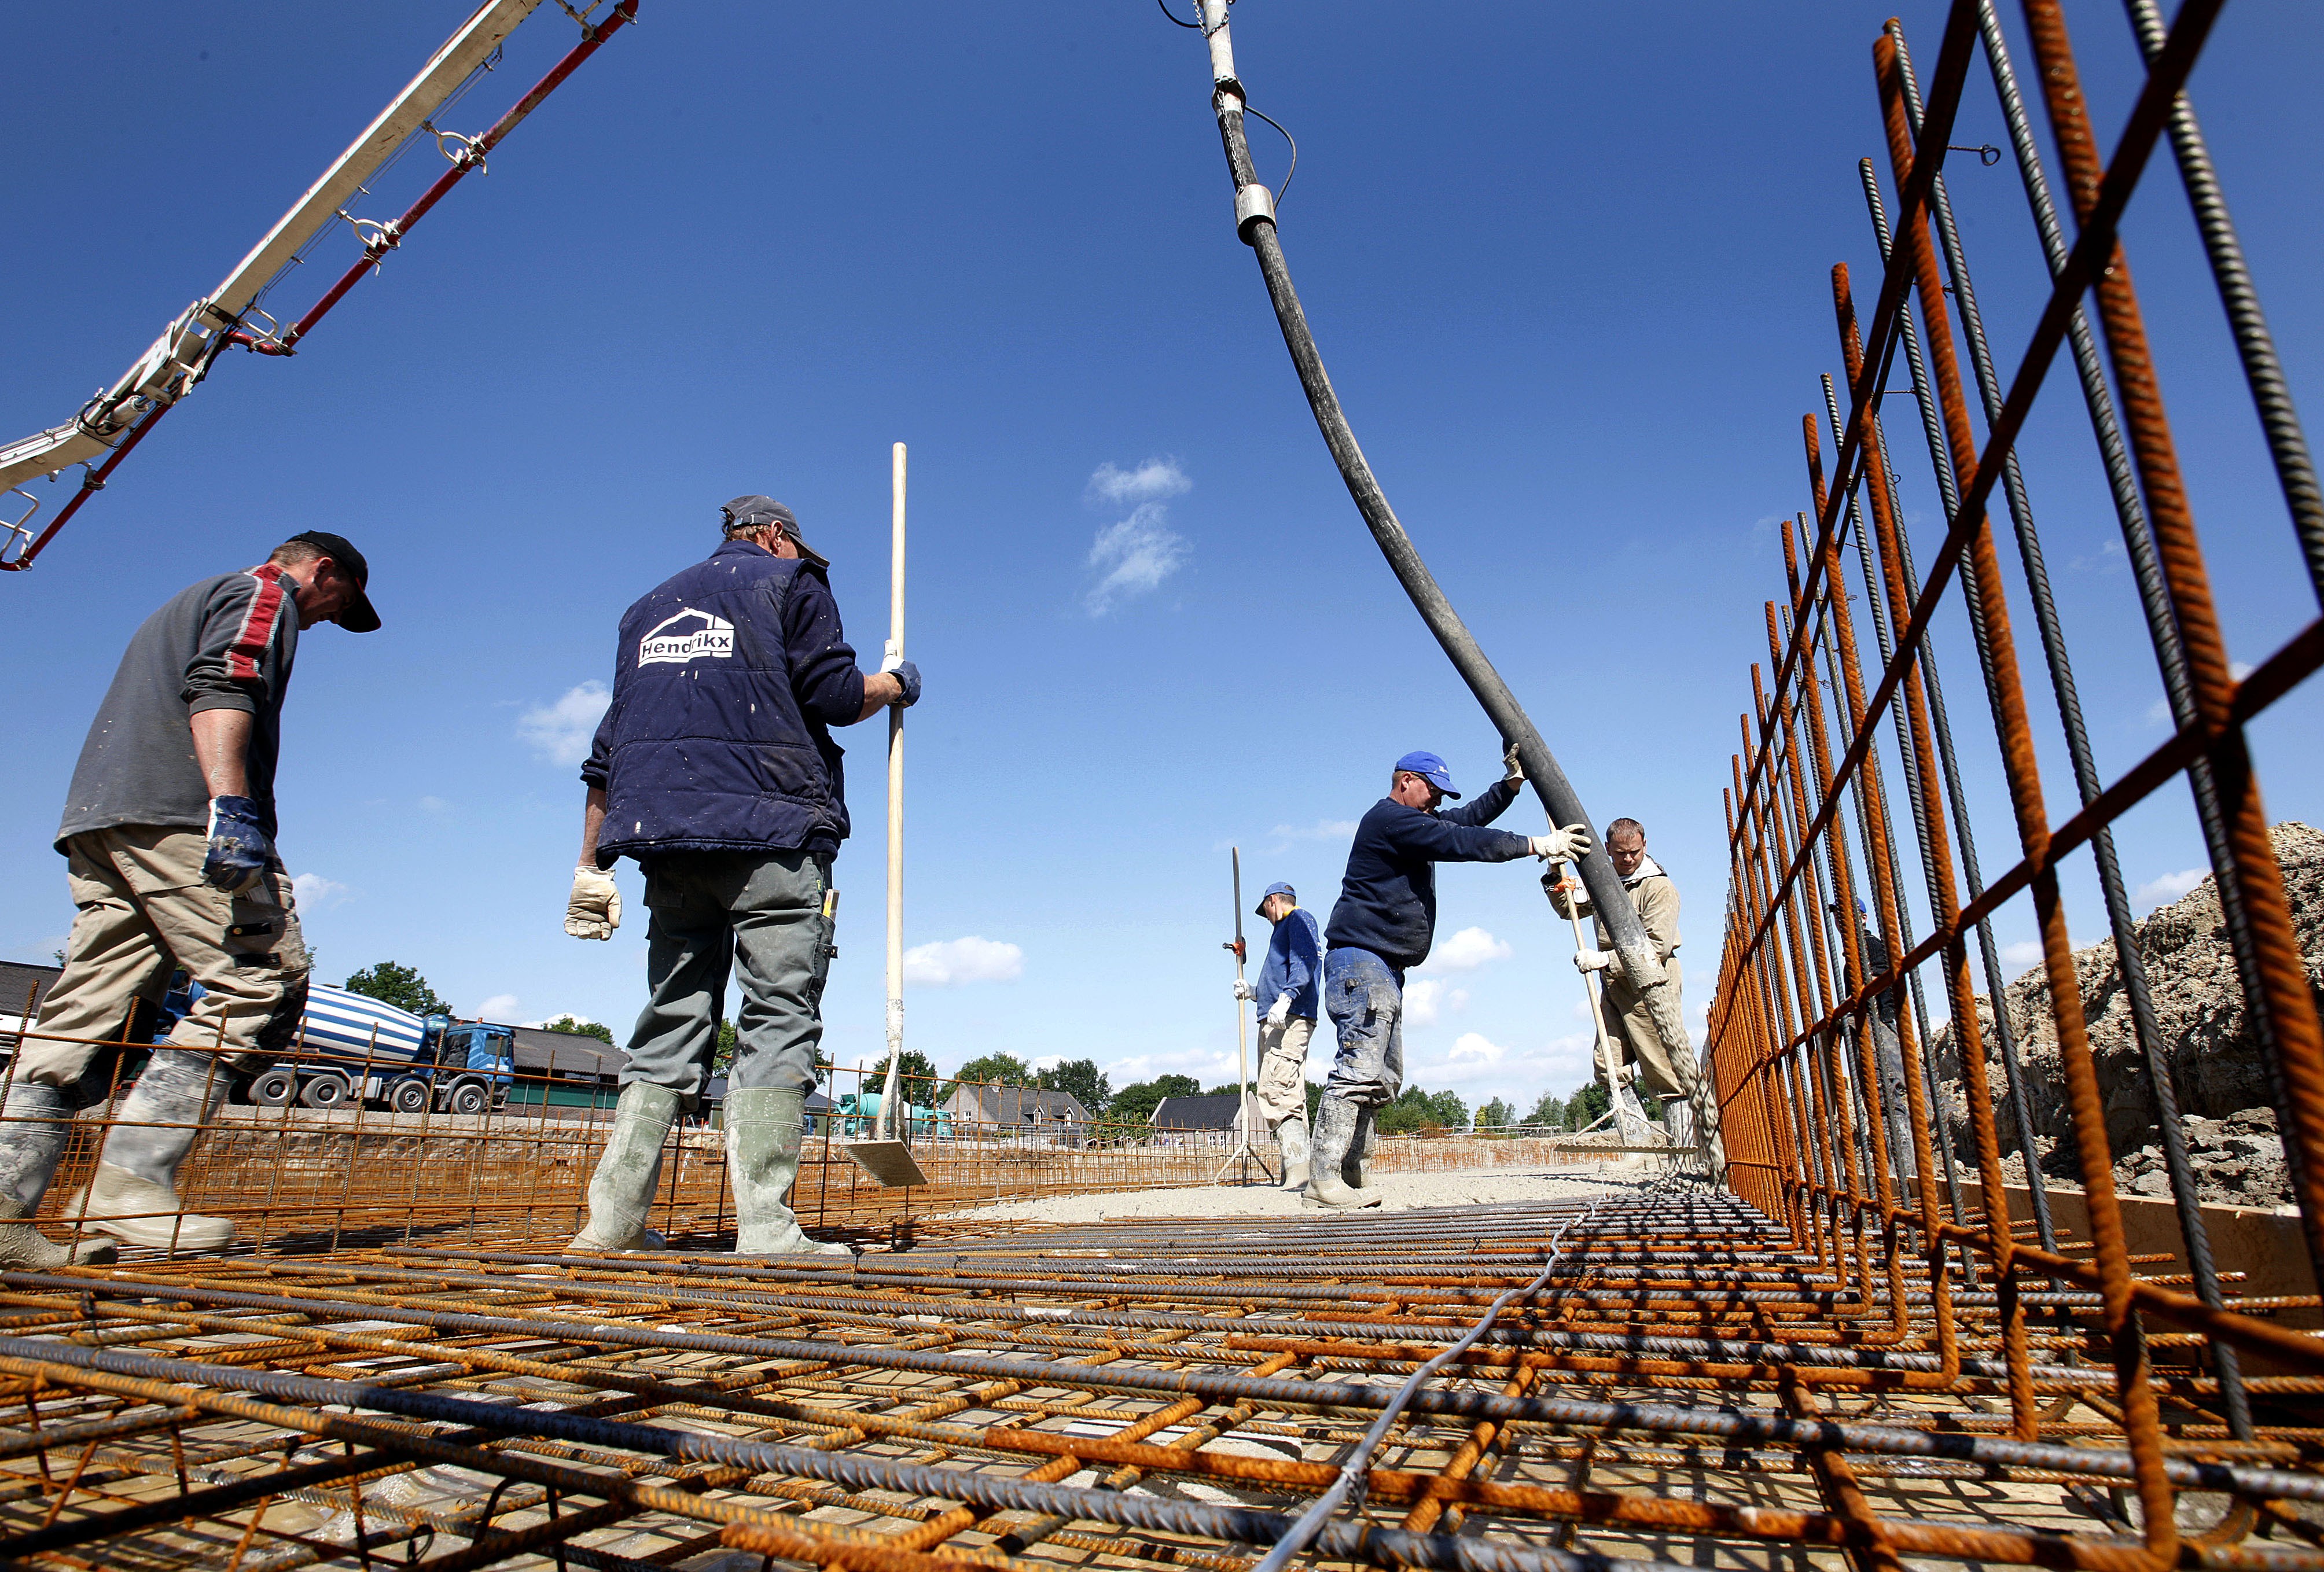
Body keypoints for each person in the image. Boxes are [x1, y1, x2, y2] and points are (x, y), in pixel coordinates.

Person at [0, 533, 380, 1265]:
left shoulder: (184, 602)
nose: (332, 618)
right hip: (178, 813)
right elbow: (225, 682)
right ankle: (129, 1185)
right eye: (341, 602)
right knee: (262, 978)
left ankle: (5, 1208)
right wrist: (230, 805)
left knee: (87, 1010)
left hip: (103, 818)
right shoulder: (262, 595)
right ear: (322, 570)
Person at [563, 495, 920, 1257]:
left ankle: (612, 1223)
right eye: (798, 550)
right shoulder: (790, 587)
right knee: (778, 1019)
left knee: (668, 1022)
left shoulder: (646, 612)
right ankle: (767, 1228)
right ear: (773, 537)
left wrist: (588, 864)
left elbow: (608, 752)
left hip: (670, 847)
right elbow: (835, 694)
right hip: (773, 839)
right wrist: (897, 684)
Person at [1313, 747, 1590, 1209]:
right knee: (1359, 1068)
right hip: (1361, 961)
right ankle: (1323, 1180)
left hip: (1383, 967)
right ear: (1405, 781)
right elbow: (1463, 842)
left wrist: (1511, 786)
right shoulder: (1389, 820)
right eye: (1431, 791)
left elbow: (1465, 822)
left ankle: (1349, 1174)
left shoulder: (1412, 821)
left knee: (1382, 1078)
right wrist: (1538, 845)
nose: (1436, 801)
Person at [1547, 818, 1700, 1126]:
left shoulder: (1658, 887)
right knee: (1608, 1066)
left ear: (1645, 846)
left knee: (1663, 1068)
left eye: (1634, 852)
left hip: (1651, 985)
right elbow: (1569, 908)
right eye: (1620, 854)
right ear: (1608, 850)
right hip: (1615, 986)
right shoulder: (1604, 881)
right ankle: (1638, 1140)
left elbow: (1658, 947)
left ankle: (1685, 1147)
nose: (1628, 859)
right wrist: (1555, 873)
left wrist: (1606, 961)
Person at [1232, 881, 1322, 1190]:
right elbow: (1279, 976)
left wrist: (1287, 999)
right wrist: (1255, 993)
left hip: (1289, 1019)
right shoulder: (1281, 932)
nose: (1267, 918)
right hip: (1279, 1017)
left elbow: (1306, 962)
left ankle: (1300, 1173)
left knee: (1276, 1089)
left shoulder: (1298, 920)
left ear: (1273, 902)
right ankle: (1297, 1170)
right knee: (1290, 1092)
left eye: (1266, 911)